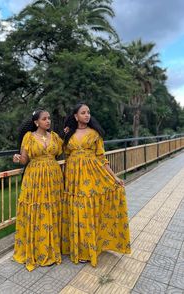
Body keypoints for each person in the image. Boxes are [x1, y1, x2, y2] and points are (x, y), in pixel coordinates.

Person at [61, 103, 131, 266]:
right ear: (75, 116)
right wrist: (63, 134)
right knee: (76, 209)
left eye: (88, 113)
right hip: (72, 177)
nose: (87, 115)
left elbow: (101, 158)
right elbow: (60, 151)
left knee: (86, 209)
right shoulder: (68, 134)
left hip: (91, 175)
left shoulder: (94, 134)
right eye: (83, 113)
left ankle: (89, 249)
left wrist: (114, 178)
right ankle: (77, 247)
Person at [12, 109, 63, 271]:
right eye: (44, 119)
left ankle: (51, 248)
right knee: (37, 209)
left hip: (54, 178)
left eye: (49, 118)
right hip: (34, 178)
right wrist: (18, 159)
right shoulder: (29, 137)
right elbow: (24, 160)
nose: (48, 121)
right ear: (36, 122)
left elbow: (64, 151)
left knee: (52, 209)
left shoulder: (54, 136)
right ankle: (37, 249)